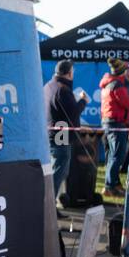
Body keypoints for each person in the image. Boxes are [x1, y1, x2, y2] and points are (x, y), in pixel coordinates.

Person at [44, 60, 87, 202]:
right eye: (73, 71)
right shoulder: (62, 89)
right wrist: (83, 101)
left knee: (57, 170)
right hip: (60, 135)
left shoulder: (48, 86)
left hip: (51, 133)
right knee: (59, 171)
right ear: (69, 73)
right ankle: (49, 206)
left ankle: (52, 204)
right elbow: (73, 114)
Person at [99, 57, 129, 197]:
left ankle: (113, 183)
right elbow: (127, 103)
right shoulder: (118, 86)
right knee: (116, 156)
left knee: (112, 155)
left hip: (108, 122)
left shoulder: (108, 83)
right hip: (116, 123)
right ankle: (109, 185)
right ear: (121, 72)